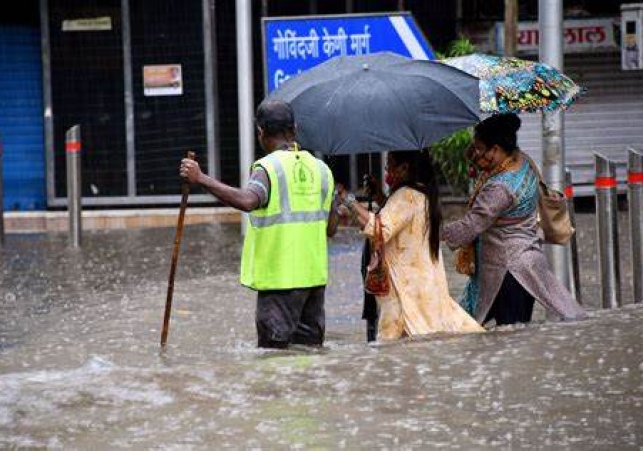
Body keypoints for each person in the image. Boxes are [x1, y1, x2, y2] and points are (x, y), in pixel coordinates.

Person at [180, 99, 339, 348]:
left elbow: (247, 201)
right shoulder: (322, 170)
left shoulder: (268, 168)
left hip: (280, 283)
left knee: (273, 361)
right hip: (314, 281)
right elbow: (331, 229)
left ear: (261, 133)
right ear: (294, 130)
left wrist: (201, 179)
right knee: (310, 356)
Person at [442, 113, 587, 326]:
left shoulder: (500, 188)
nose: (476, 153)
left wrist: (433, 232)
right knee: (507, 337)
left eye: (480, 148)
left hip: (507, 273)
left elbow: (472, 224)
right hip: (527, 262)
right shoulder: (522, 161)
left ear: (496, 150)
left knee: (509, 337)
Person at [337, 151, 483, 341]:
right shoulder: (423, 194)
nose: (386, 169)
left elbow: (379, 228)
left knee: (391, 353)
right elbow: (400, 219)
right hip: (424, 288)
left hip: (403, 291)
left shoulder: (406, 195)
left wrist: (348, 199)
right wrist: (380, 196)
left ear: (404, 168)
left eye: (389, 164)